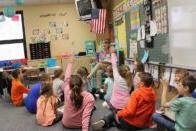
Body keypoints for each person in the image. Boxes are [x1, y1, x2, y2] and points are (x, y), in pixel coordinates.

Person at [92, 72, 157, 130]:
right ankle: (108, 122)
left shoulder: (136, 94)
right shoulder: (153, 93)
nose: (135, 80)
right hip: (141, 124)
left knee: (114, 113)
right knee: (118, 113)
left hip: (129, 124)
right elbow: (151, 111)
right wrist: (149, 123)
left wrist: (119, 114)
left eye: (137, 79)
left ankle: (105, 121)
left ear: (142, 84)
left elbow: (130, 111)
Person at [62, 59, 95, 131]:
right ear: (82, 85)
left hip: (66, 123)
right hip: (80, 125)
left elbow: (67, 77)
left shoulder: (66, 89)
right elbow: (86, 116)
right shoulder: (89, 97)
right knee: (90, 109)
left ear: (70, 84)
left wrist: (70, 62)